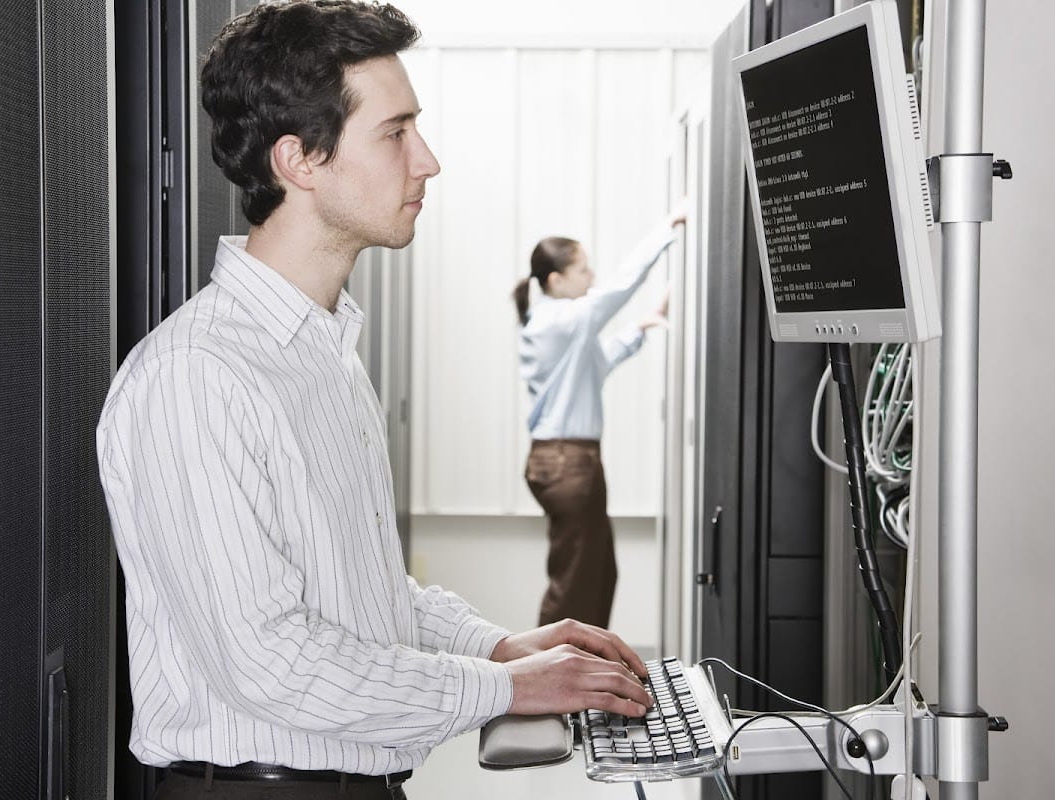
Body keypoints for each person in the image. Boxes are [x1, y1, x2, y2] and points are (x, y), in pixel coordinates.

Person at [96, 3, 652, 799]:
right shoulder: (196, 377)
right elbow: (272, 664)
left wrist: (500, 646)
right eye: (395, 133)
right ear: (300, 161)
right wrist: (510, 690)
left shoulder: (323, 354)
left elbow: (363, 596)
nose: (427, 160)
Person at [514, 207, 685, 629]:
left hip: (567, 461)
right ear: (557, 280)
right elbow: (622, 286)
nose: (592, 278)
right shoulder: (564, 319)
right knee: (573, 585)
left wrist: (641, 330)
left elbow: (598, 364)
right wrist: (667, 228)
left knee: (599, 575)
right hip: (569, 464)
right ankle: (544, 679)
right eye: (584, 270)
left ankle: (583, 670)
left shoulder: (560, 324)